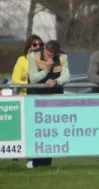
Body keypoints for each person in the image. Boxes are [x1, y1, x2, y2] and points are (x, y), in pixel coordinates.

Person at [27, 40, 70, 168]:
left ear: (56, 54)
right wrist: (46, 70)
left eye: (50, 55)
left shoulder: (63, 57)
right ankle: (35, 161)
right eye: (45, 53)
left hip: (54, 98)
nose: (47, 57)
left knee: (51, 132)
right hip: (36, 98)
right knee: (37, 132)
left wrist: (55, 81)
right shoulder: (33, 56)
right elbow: (33, 79)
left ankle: (46, 163)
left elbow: (67, 76)